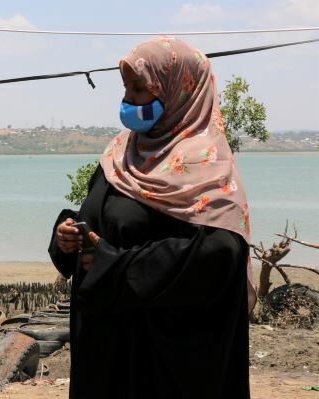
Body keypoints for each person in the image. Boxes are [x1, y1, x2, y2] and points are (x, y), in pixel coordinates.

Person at [49, 36, 254, 398]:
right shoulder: (120, 153)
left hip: (164, 356)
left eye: (139, 88)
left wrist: (117, 265)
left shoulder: (206, 165)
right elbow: (97, 216)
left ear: (179, 91)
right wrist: (68, 234)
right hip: (107, 344)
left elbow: (221, 252)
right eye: (125, 87)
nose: (128, 99)